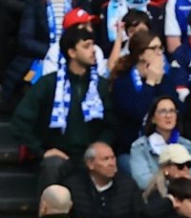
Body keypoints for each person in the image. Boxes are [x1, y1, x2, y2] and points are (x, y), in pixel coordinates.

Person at [11, 27, 114, 194]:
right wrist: (41, 151)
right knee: (53, 164)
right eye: (87, 46)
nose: (93, 51)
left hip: (92, 156)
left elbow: (112, 125)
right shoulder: (48, 84)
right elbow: (20, 122)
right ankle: (50, 216)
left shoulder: (101, 86)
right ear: (72, 52)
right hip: (60, 155)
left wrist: (100, 146)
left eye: (93, 45)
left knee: (106, 163)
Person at [111, 31, 177, 158]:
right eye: (153, 48)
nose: (159, 52)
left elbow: (177, 108)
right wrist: (150, 82)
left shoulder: (165, 79)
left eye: (160, 48)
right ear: (140, 54)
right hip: (131, 149)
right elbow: (138, 112)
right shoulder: (123, 81)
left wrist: (159, 81)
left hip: (166, 145)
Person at [129, 96, 191, 189]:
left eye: (172, 111)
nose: (168, 116)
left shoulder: (187, 145)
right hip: (153, 198)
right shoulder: (139, 146)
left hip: (182, 196)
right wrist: (168, 176)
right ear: (153, 118)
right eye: (163, 111)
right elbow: (143, 182)